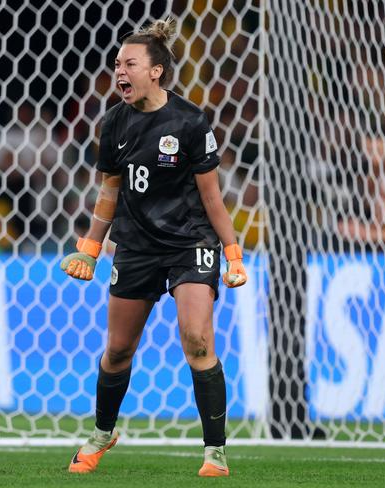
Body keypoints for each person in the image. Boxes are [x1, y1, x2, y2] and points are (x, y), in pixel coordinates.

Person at [60, 18, 247, 477]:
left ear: (156, 71)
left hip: (190, 242)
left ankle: (214, 452)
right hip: (136, 244)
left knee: (197, 338)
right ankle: (103, 433)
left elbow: (211, 198)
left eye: (129, 63)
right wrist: (89, 247)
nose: (118, 71)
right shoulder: (115, 122)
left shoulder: (189, 121)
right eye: (116, 63)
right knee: (118, 350)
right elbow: (108, 192)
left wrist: (233, 253)